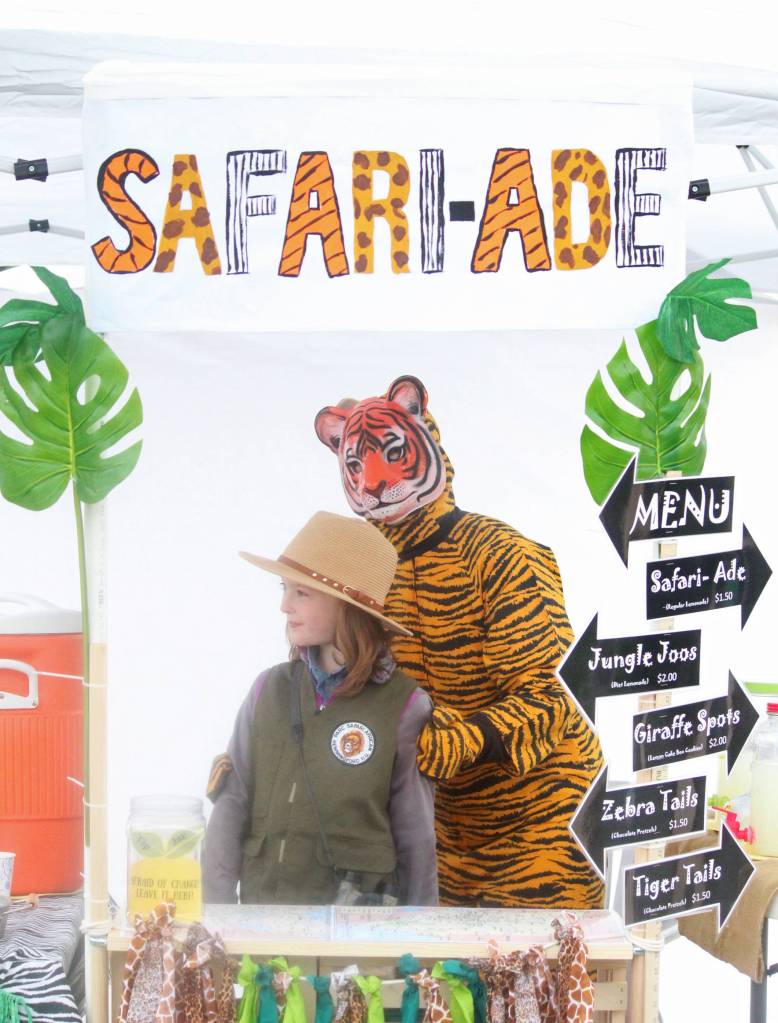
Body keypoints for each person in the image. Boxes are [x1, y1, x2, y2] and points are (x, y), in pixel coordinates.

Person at [315, 375, 605, 909]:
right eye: (356, 465)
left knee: (533, 977)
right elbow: (346, 689)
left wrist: (469, 738)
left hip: (544, 812)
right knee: (445, 984)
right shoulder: (371, 575)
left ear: (426, 444)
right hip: (444, 831)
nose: (376, 481)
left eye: (395, 454)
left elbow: (556, 696)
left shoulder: (499, 553)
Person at [203, 510, 438, 906]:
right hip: (263, 930)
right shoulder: (268, 690)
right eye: (284, 588)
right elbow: (231, 807)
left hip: (358, 944)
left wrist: (421, 945)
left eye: (302, 593)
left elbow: (416, 838)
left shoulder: (405, 706)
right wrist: (214, 919)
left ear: (346, 605)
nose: (284, 606)